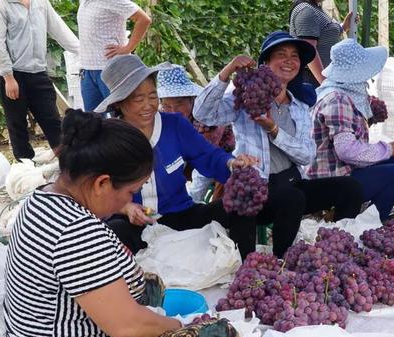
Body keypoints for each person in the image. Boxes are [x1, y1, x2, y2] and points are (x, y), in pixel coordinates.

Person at [4, 109, 245, 337]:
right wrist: (177, 327)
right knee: (221, 336)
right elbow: (127, 328)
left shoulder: (42, 198)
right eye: (131, 192)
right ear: (102, 183)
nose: (130, 200)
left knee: (150, 284)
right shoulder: (76, 232)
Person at [193, 31, 364, 258]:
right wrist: (227, 71)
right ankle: (280, 261)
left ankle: (338, 249)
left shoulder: (300, 106)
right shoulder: (245, 99)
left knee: (350, 188)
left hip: (291, 182)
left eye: (295, 56)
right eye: (281, 54)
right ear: (265, 63)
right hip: (254, 191)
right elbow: (203, 114)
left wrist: (274, 130)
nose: (289, 61)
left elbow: (306, 156)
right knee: (290, 198)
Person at [94, 55, 258, 258]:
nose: (148, 105)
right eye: (138, 99)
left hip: (179, 215)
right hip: (137, 220)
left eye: (152, 97)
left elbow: (208, 156)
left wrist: (232, 163)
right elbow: (96, 191)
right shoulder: (108, 137)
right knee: (113, 233)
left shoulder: (175, 125)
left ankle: (248, 269)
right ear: (119, 103)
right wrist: (125, 207)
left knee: (241, 205)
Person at [306, 39, 394, 222]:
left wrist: (369, 119)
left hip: (341, 170)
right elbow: (346, 150)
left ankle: (365, 211)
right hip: (333, 180)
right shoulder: (338, 99)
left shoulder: (333, 91)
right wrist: (388, 149)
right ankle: (366, 221)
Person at [0, 0, 80, 161]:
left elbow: (59, 30)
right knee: (17, 124)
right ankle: (26, 167)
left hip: (38, 71)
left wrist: (82, 51)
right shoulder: (0, 5)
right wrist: (8, 77)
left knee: (52, 120)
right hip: (12, 74)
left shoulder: (41, 3)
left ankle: (68, 162)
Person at [157, 65, 235, 202]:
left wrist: (191, 200)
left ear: (191, 100)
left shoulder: (206, 118)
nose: (173, 110)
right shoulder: (163, 116)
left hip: (224, 156)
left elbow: (205, 158)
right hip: (187, 157)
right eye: (167, 105)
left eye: (179, 103)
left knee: (223, 195)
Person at [77, 0, 152, 112]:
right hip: (87, 71)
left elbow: (144, 19)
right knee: (92, 121)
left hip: (111, 69)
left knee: (120, 117)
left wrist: (128, 48)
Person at [289, 0, 356, 86]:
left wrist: (344, 27)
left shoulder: (314, 8)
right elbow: (309, 51)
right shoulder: (306, 11)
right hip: (312, 80)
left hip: (320, 78)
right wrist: (325, 83)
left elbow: (324, 35)